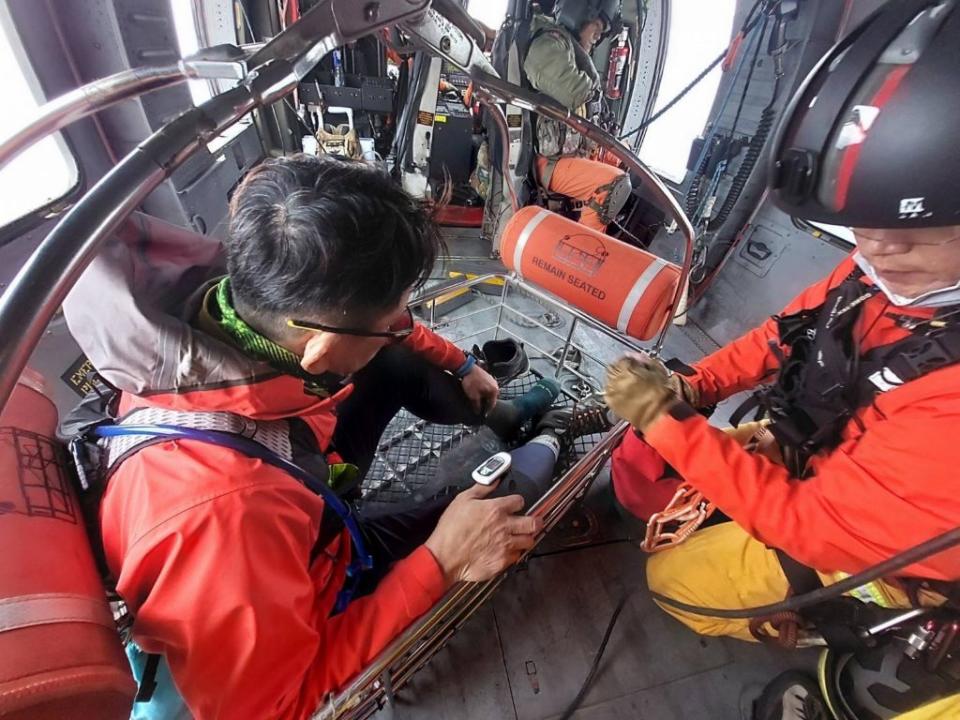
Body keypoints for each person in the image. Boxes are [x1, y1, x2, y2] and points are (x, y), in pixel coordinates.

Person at [63, 154, 564, 719]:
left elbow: (374, 326)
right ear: (321, 352)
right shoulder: (231, 520)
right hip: (301, 596)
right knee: (503, 509)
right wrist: (442, 563)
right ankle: (551, 434)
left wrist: (460, 362)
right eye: (395, 319)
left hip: (301, 499)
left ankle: (508, 416)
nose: (404, 326)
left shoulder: (217, 302)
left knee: (396, 368)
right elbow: (281, 709)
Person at [603, 2, 960, 718]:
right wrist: (694, 385)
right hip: (823, 459)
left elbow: (806, 522)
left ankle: (848, 626)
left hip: (872, 545)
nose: (877, 247)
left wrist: (671, 423)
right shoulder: (883, 270)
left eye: (908, 234)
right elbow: (786, 335)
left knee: (673, 585)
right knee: (680, 494)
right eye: (862, 226)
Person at [522, 0, 632, 233]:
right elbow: (573, 92)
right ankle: (582, 251)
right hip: (548, 162)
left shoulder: (569, 51)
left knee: (626, 159)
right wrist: (594, 97)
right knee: (615, 185)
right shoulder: (548, 44)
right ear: (579, 14)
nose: (595, 41)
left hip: (569, 154)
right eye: (596, 32)